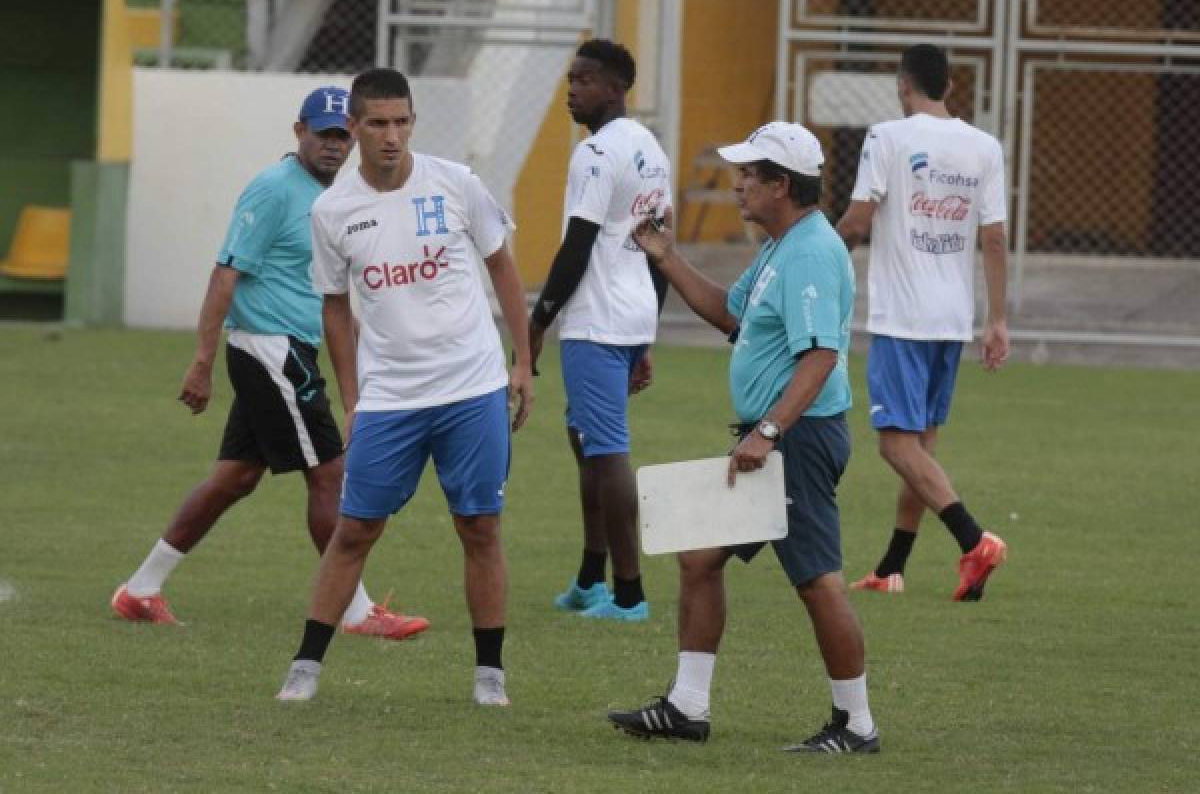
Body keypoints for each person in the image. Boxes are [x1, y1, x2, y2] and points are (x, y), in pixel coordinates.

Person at [111, 86, 428, 641]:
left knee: (235, 478)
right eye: (322, 134)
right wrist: (201, 361)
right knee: (330, 472)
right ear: (298, 132)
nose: (333, 146)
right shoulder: (275, 189)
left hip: (290, 351)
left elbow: (331, 292)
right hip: (271, 350)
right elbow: (225, 274)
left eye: (341, 135)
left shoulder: (336, 196)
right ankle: (355, 610)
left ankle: (139, 590)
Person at [608, 122, 879, 753]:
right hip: (779, 435)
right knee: (700, 557)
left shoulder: (810, 250)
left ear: (781, 185)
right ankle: (687, 707)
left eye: (748, 175)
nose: (736, 186)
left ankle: (857, 724)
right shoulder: (783, 245)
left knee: (817, 579)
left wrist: (768, 430)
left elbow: (819, 357)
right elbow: (731, 316)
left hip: (797, 439)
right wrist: (666, 254)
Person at [275, 68, 534, 707]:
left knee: (479, 528)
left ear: (413, 122)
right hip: (391, 397)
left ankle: (489, 677)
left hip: (472, 386)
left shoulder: (455, 183)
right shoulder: (332, 210)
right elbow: (335, 306)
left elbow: (501, 264)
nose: (392, 136)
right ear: (357, 127)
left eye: (402, 122)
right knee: (355, 529)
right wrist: (353, 394)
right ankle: (305, 668)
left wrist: (522, 362)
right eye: (378, 124)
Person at [836, 44, 1009, 600]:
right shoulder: (984, 147)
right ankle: (892, 567)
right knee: (921, 449)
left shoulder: (888, 138)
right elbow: (995, 237)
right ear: (949, 87)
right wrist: (997, 320)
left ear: (902, 84)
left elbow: (859, 219)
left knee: (895, 446)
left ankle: (973, 538)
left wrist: (811, 249)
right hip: (952, 319)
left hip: (902, 315)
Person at [528, 39, 671, 622]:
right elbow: (659, 245)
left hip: (597, 320)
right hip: (629, 314)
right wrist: (648, 332)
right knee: (584, 440)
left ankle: (629, 594)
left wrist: (537, 320)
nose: (572, 90)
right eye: (571, 79)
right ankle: (591, 575)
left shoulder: (596, 153)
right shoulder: (651, 149)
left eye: (584, 80)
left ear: (615, 88)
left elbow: (577, 245)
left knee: (607, 453)